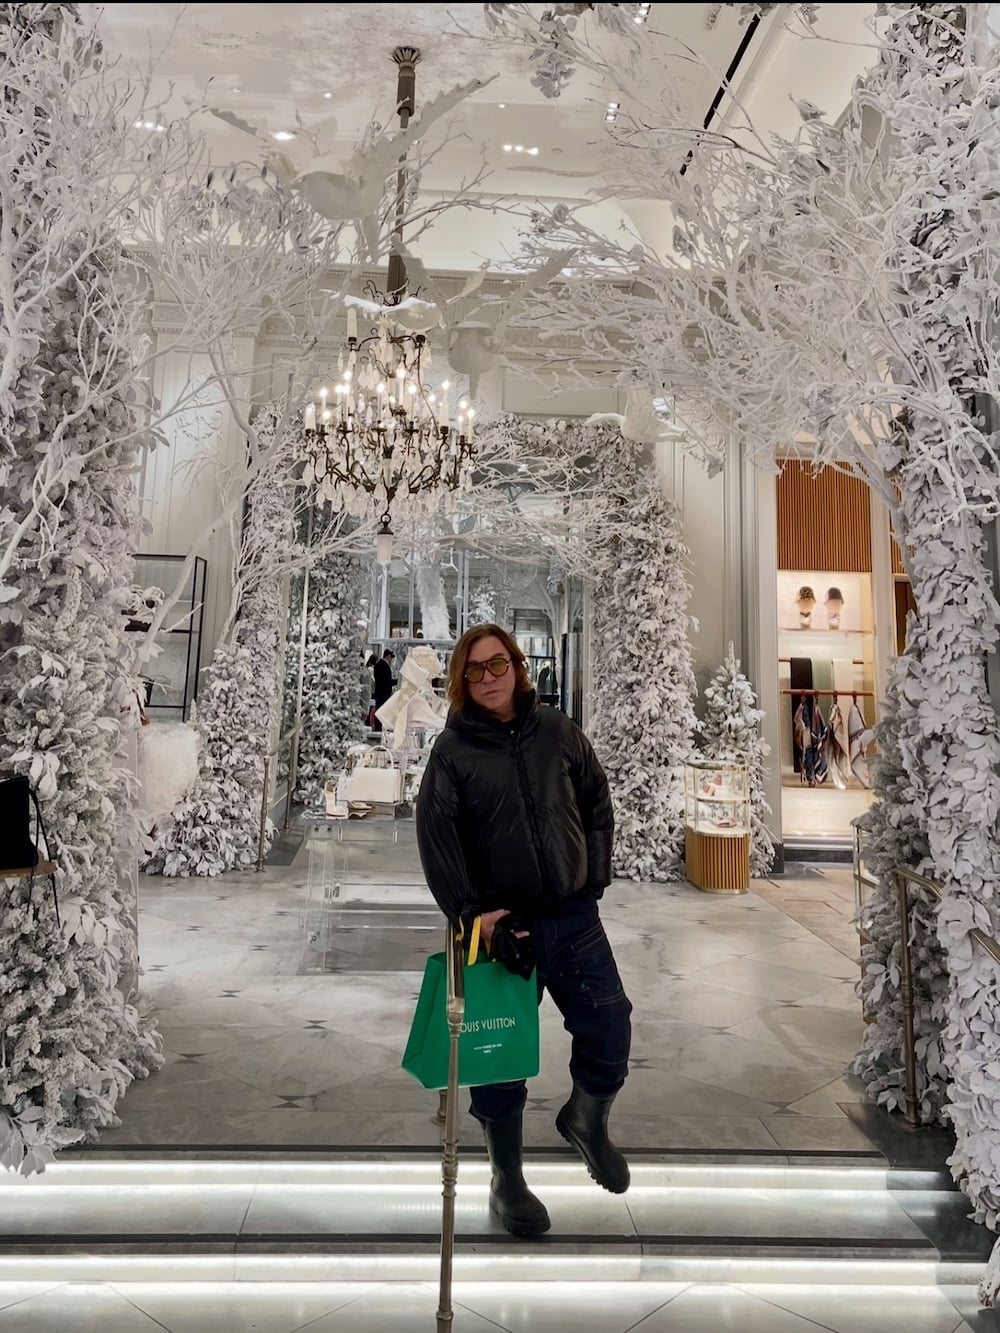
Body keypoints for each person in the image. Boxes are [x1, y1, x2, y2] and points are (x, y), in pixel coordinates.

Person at [415, 623, 631, 1238]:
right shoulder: (452, 752)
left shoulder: (558, 731)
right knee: (498, 1054)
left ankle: (586, 1118)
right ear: (461, 681)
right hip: (499, 929)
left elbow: (595, 799)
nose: (488, 678)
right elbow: (437, 839)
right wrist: (471, 918)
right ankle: (505, 1176)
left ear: (517, 666)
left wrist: (593, 877)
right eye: (474, 669)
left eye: (497, 664)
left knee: (609, 1023)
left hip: (572, 916)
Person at [372, 649, 394, 731]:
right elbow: (387, 681)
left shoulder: (378, 665)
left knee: (379, 711)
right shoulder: (384, 666)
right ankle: (380, 728)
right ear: (388, 656)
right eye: (391, 658)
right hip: (383, 694)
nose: (392, 660)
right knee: (382, 711)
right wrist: (397, 681)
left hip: (379, 693)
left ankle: (378, 727)